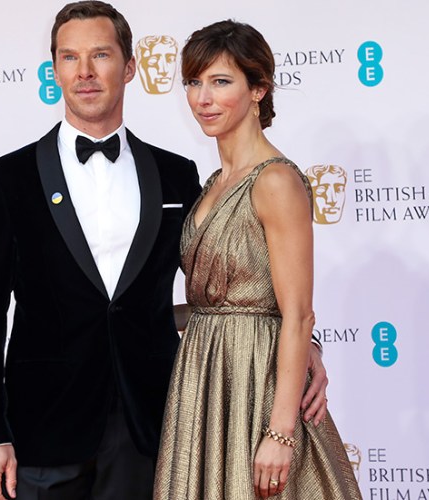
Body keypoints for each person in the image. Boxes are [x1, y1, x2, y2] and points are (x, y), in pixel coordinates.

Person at [0, 4, 329, 499]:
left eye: (101, 55)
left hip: (154, 427)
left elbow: (238, 282)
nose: (85, 72)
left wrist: (308, 344)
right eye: (69, 57)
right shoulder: (9, 179)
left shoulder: (176, 175)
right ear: (55, 70)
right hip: (42, 430)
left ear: (129, 67)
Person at [154, 20, 362, 499]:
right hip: (204, 380)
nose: (203, 98)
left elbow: (297, 312)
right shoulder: (211, 184)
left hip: (259, 384)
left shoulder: (275, 181)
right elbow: (219, 301)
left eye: (221, 82)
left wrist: (281, 432)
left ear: (258, 90)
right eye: (194, 82)